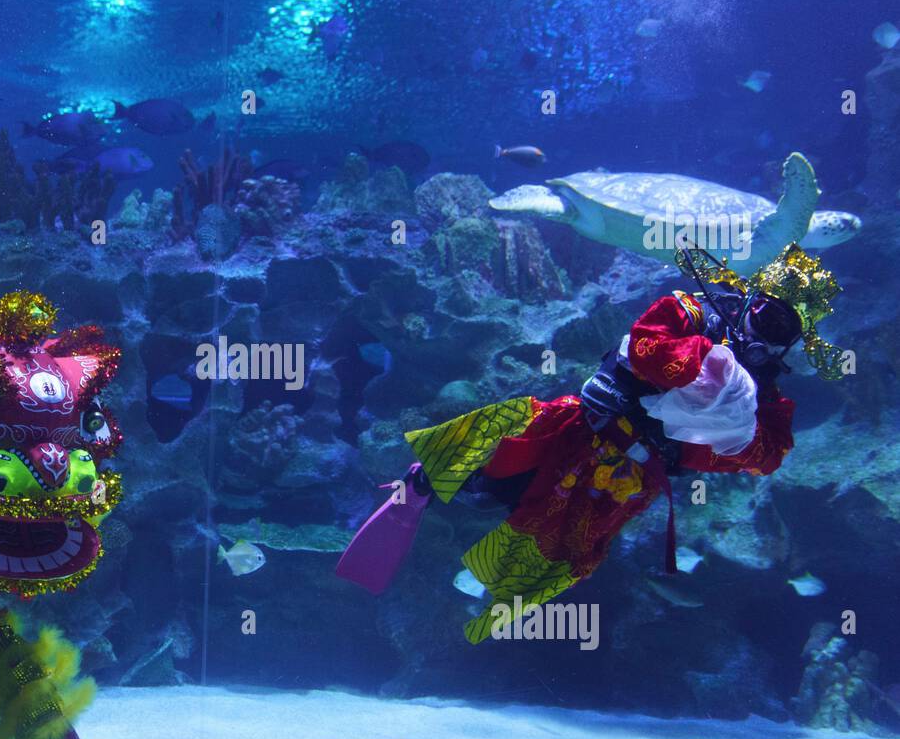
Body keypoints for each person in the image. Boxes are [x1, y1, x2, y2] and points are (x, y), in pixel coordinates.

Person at [336, 243, 844, 643]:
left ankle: (476, 604)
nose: (767, 330)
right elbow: (647, 344)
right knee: (495, 476)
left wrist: (734, 410)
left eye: (784, 327)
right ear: (751, 302)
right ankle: (422, 483)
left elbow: (768, 456)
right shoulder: (692, 312)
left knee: (550, 551)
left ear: (794, 341)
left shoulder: (767, 392)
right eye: (766, 314)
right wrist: (706, 364)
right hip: (582, 429)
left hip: (625, 480)